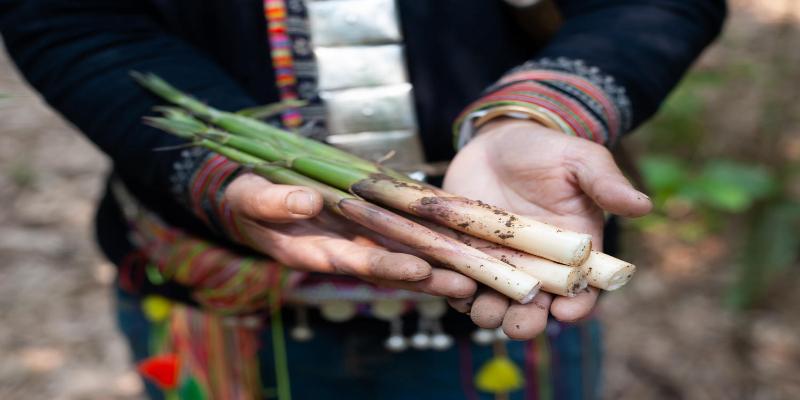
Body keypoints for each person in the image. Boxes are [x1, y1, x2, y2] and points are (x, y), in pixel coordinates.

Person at [0, 0, 726, 399]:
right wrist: (215, 169)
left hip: (507, 301)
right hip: (213, 297)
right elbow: (65, 18)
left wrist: (540, 113)